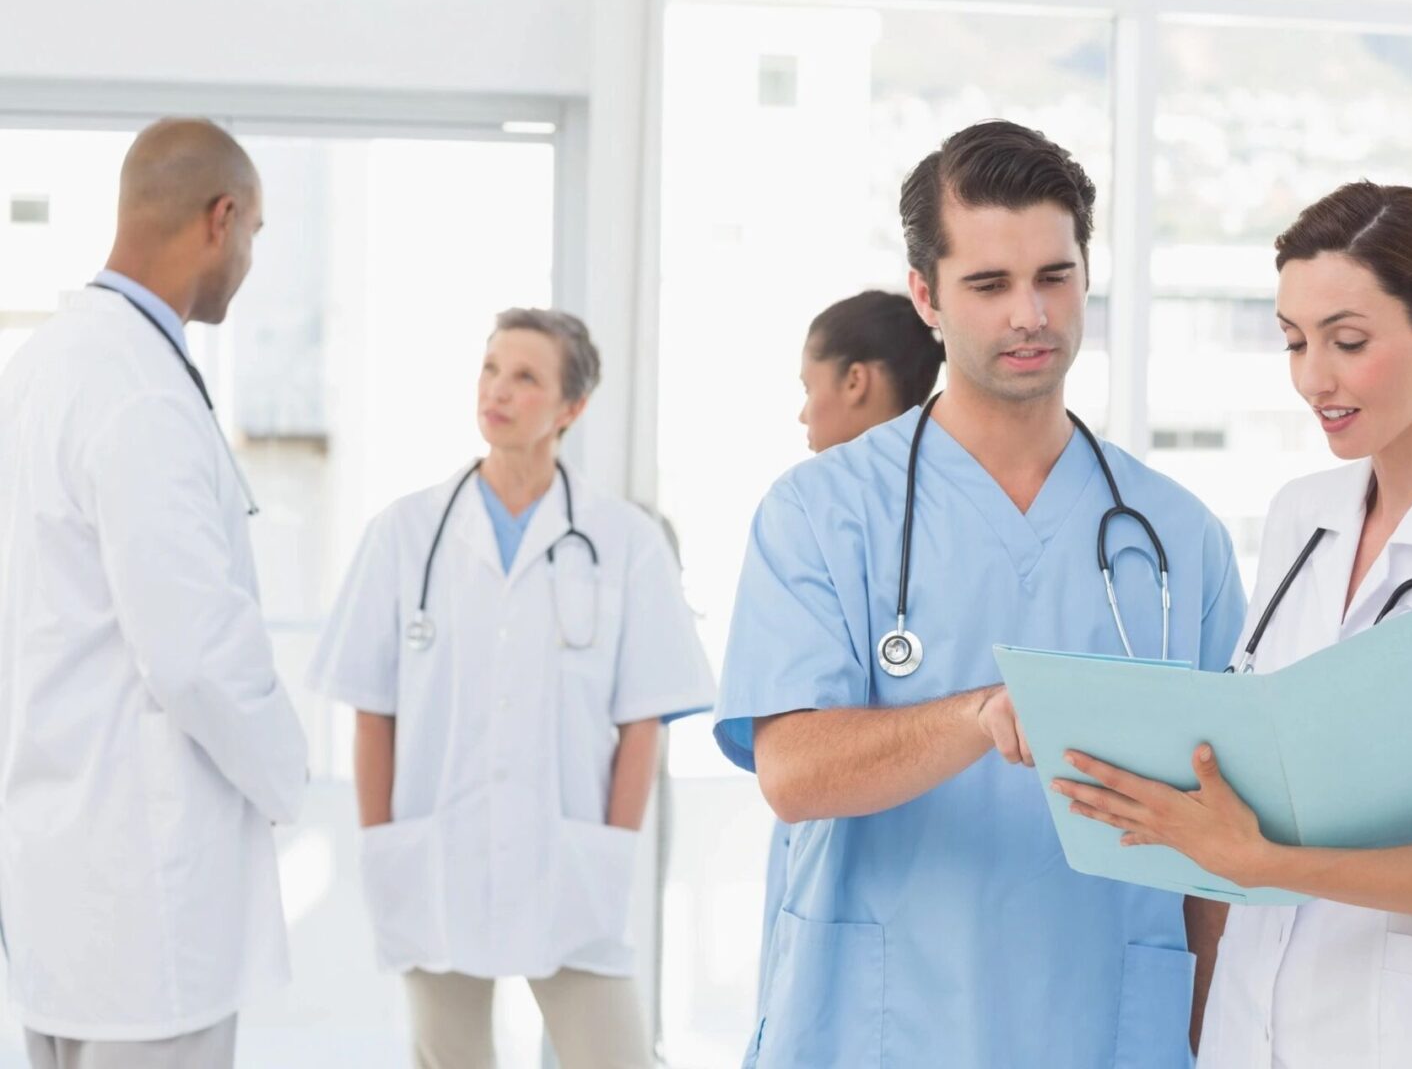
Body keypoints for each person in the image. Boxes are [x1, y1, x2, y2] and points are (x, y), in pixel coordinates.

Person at [1046, 182, 1412, 1067]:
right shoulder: (1301, 516)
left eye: (1348, 341)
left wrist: (1261, 862)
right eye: (1294, 341)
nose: (1315, 377)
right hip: (1256, 1028)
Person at [714, 120, 1247, 1067]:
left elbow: (1222, 839)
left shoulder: (1177, 537)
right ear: (926, 296)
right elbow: (791, 771)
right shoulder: (823, 513)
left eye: (1054, 277)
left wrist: (1211, 1029)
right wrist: (983, 715)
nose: (1029, 315)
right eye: (989, 285)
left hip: (1108, 1022)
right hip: (879, 1025)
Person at [306, 307, 714, 1069]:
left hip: (570, 859)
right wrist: (384, 844)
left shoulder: (623, 540)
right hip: (435, 858)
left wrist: (610, 850)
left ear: (572, 408)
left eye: (524, 377)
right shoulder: (405, 533)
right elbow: (374, 712)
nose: (497, 390)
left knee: (614, 1058)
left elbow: (642, 723)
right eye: (491, 368)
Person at [0, 118, 307, 1067]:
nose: (249, 259)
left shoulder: (45, 368)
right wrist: (287, 772)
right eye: (254, 234)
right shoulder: (141, 392)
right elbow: (192, 654)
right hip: (145, 894)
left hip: (59, 879)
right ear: (222, 218)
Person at [758, 289, 944, 991]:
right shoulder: (814, 512)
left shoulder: (806, 508)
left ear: (856, 380)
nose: (806, 411)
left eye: (811, 386)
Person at [796, 289, 944, 452]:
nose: (802, 417)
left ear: (855, 381)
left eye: (808, 390)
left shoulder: (804, 478)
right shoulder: (954, 468)